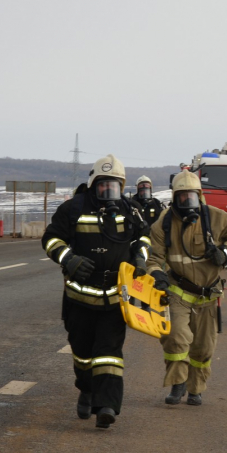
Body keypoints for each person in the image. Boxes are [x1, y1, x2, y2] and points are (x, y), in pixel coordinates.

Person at [41, 154, 150, 428]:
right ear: (93, 183)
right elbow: (51, 238)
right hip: (79, 297)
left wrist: (141, 257)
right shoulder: (73, 208)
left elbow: (143, 237)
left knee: (109, 352)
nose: (107, 190)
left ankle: (107, 407)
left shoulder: (131, 209)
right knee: (83, 353)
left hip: (115, 297)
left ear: (121, 185)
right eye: (102, 184)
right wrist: (69, 259)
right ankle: (86, 390)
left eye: (113, 185)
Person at [146, 171, 227, 406]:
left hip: (208, 295)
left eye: (191, 197)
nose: (186, 202)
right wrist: (157, 274)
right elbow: (154, 259)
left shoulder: (215, 217)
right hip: (178, 291)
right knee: (175, 338)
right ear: (174, 197)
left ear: (199, 196)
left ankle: (195, 389)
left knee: (203, 348)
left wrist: (225, 253)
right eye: (182, 197)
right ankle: (178, 382)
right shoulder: (163, 222)